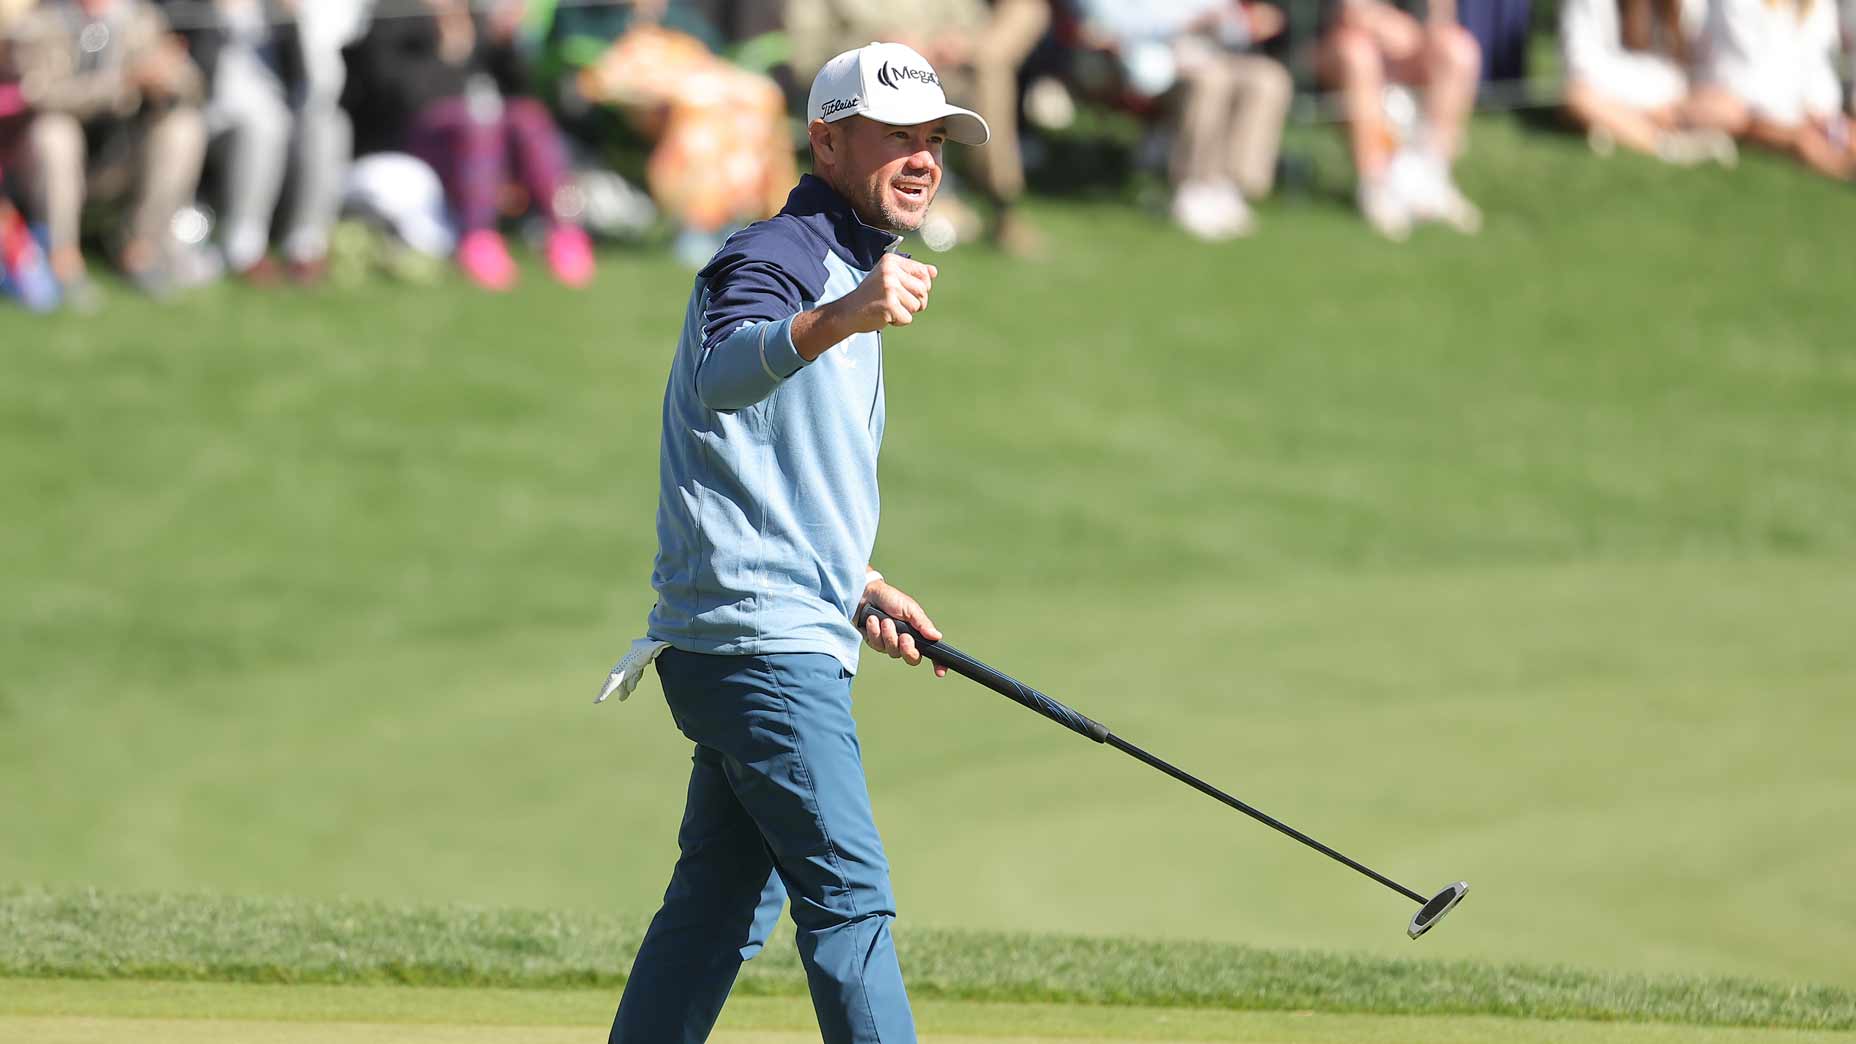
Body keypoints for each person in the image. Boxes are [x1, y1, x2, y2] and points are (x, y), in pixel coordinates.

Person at [603, 40, 987, 1044]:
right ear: (825, 140)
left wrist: (854, 581)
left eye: (934, 139)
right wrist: (840, 317)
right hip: (757, 645)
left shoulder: (847, 268)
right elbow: (729, 371)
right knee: (849, 902)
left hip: (763, 629)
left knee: (717, 910)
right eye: (895, 136)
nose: (922, 158)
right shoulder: (774, 258)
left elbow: (765, 469)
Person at [346, 0, 594, 290]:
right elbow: (396, 94)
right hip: (410, 138)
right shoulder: (393, 13)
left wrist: (507, 44)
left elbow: (517, 87)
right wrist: (447, 54)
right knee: (476, 125)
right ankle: (478, 236)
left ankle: (564, 230)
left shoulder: (472, 14)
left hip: (481, 132)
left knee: (529, 118)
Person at [787, 0, 1049, 253]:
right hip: (867, 93)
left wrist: (957, 43)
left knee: (990, 69)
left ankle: (1003, 202)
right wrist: (879, 54)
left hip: (938, 77)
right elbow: (806, 58)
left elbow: (970, 22)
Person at [5, 0, 206, 301]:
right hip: (52, 159)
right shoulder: (42, 20)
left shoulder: (142, 18)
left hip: (124, 151)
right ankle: (63, 257)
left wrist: (169, 77)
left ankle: (143, 251)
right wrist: (123, 83)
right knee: (54, 133)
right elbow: (40, 94)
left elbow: (194, 85)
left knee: (184, 127)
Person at [157, 0, 369, 284]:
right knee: (263, 126)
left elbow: (302, 81)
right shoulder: (195, 7)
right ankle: (244, 247)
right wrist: (221, 15)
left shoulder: (274, 11)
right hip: (216, 114)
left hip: (279, 114)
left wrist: (290, 20)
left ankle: (306, 246)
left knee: (329, 125)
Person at [1072, 0, 1293, 239]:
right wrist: (1180, 26)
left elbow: (1232, 23)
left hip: (1209, 53)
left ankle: (1231, 185)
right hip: (1140, 61)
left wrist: (1237, 24)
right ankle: (1193, 185)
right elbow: (1105, 21)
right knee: (1209, 81)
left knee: (1268, 79)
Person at [1317, 0, 1482, 240]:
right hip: (1337, 47)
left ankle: (1433, 177)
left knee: (1458, 51)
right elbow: (1350, 12)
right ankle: (1375, 185)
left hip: (1409, 48)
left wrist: (1411, 35)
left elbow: (1441, 17)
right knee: (1358, 53)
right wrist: (1385, 25)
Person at [1687, 0, 1853, 180]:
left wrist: (1821, 118)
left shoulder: (1819, 6)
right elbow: (1743, 79)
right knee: (1731, 113)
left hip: (1800, 117)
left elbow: (1820, 76)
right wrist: (1796, 131)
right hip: (1743, 110)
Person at [1561, 0, 1735, 164]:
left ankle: (1620, 128)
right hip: (1612, 94)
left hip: (1670, 100)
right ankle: (1667, 146)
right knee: (1579, 98)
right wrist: (1656, 106)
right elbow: (1582, 65)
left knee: (1728, 107)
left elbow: (1697, 64)